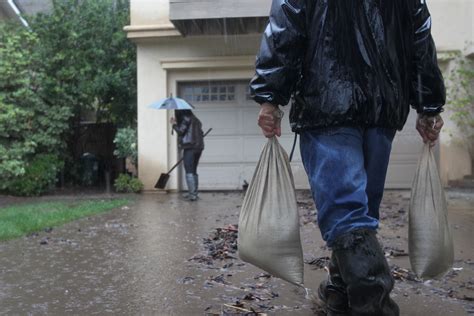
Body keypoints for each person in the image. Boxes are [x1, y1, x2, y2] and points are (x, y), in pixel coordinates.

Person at [250, 1, 445, 315]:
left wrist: (270, 96)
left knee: (348, 212)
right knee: (360, 210)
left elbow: (285, 29)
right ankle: (338, 295)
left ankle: (375, 306)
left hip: (326, 99)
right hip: (383, 104)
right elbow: (419, 37)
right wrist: (429, 105)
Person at [170, 110, 204, 201]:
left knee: (189, 170)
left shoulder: (186, 118)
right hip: (199, 147)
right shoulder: (196, 119)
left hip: (190, 147)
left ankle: (192, 195)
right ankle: (194, 193)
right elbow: (201, 133)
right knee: (193, 170)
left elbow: (181, 131)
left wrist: (173, 124)